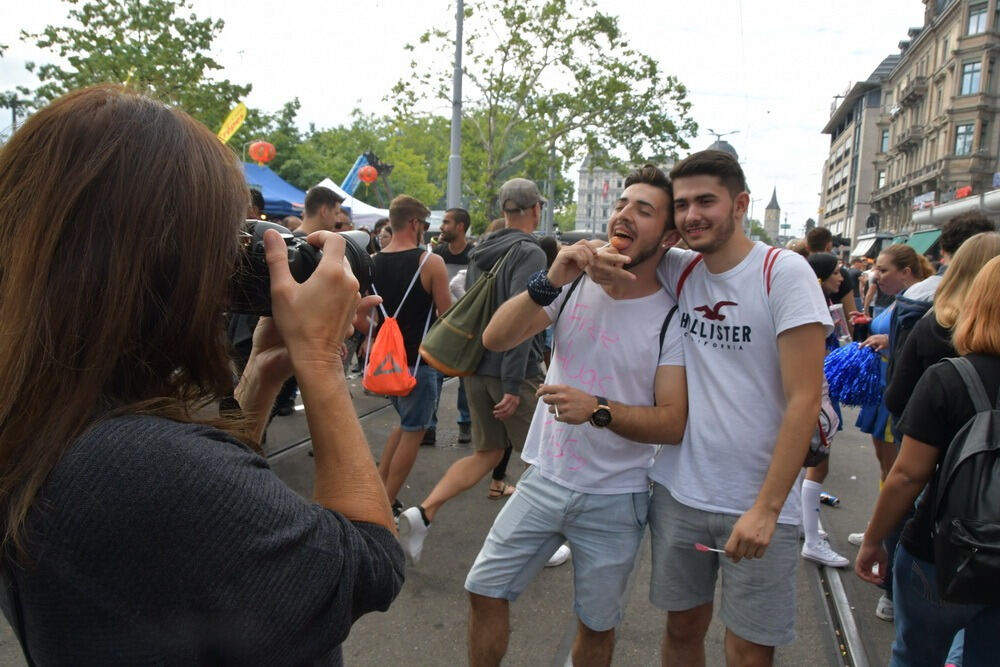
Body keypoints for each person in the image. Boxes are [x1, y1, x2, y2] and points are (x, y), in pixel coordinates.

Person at [0, 85, 402, 665]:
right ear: (164, 257)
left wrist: (262, 373)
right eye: (222, 233)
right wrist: (318, 362)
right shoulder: (139, 466)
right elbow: (370, 563)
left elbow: (219, 482)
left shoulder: (59, 416)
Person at [591, 150, 831, 665]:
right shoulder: (681, 268)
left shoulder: (781, 272)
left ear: (741, 203)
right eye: (682, 205)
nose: (692, 214)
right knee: (681, 633)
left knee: (748, 649)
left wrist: (767, 509)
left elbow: (805, 399)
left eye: (706, 201)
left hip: (758, 501)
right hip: (681, 494)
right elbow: (616, 252)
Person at [459, 164, 688, 666]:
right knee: (484, 589)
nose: (623, 214)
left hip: (617, 497)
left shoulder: (673, 314)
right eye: (623, 203)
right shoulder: (574, 283)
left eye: (643, 210)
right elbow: (497, 338)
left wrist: (598, 409)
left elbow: (672, 422)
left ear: (669, 235)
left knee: (596, 626)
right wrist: (554, 275)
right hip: (545, 477)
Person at [855, 255, 1000, 666]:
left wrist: (874, 540)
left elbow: (906, 476)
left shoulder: (950, 377)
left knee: (916, 654)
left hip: (942, 549)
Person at [848, 243, 934, 622]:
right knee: (888, 473)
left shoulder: (918, 307)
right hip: (883, 393)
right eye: (875, 270)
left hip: (895, 399)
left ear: (907, 271)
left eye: (883, 270)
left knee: (899, 477)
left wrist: (890, 344)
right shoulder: (900, 303)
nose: (876, 276)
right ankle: (879, 529)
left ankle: (889, 561)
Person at [371, 195, 452, 515]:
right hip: (419, 360)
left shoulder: (372, 262)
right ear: (415, 224)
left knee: (405, 423)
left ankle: (378, 486)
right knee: (415, 429)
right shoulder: (430, 263)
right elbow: (447, 315)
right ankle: (384, 504)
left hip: (385, 363)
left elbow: (367, 317)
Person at [797, 253, 850, 569]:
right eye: (836, 273)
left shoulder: (820, 306)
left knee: (812, 465)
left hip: (821, 393)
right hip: (816, 396)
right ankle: (812, 538)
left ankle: (808, 527)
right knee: (814, 461)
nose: (841, 279)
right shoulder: (811, 309)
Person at [426, 207, 475, 446]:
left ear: (461, 226)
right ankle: (429, 425)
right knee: (433, 374)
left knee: (466, 376)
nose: (441, 227)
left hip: (465, 327)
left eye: (446, 222)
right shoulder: (437, 253)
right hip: (439, 325)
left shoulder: (475, 255)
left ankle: (466, 423)